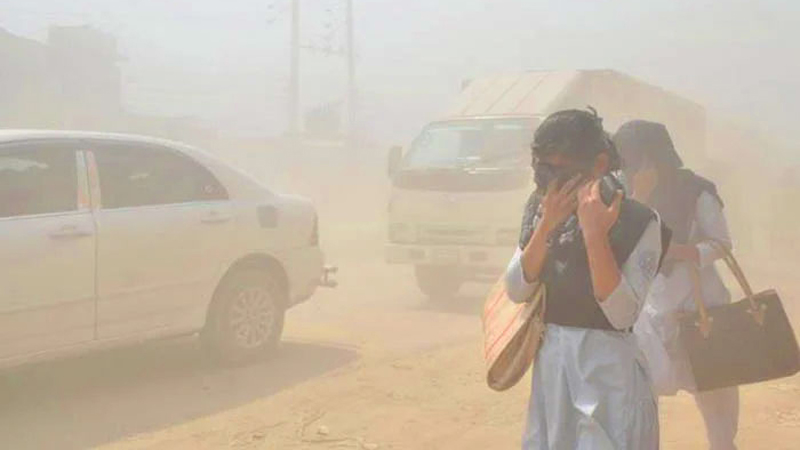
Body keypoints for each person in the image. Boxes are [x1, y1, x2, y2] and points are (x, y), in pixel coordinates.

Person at [504, 109, 668, 450]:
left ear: (598, 165)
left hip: (608, 376)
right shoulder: (541, 210)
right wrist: (546, 226)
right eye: (543, 169)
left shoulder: (639, 221)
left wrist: (595, 235)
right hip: (553, 371)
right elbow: (517, 288)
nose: (551, 183)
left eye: (561, 170)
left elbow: (621, 314)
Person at [614, 120, 739, 450]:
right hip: (649, 312)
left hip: (701, 308)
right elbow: (619, 245)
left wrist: (679, 252)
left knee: (716, 397)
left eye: (635, 155)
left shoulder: (697, 190)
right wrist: (639, 195)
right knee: (640, 395)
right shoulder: (621, 194)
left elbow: (722, 244)